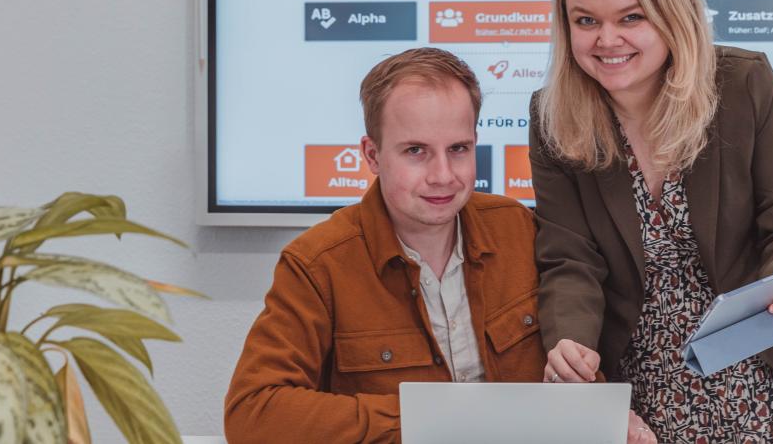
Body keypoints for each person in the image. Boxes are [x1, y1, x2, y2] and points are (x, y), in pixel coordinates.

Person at [530, 0, 773, 443]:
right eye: (586, 20)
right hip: (638, 390)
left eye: (631, 17)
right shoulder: (552, 117)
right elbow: (569, 257)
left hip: (755, 365)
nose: (607, 40)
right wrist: (570, 344)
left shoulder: (743, 84)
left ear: (670, 15)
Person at [224, 48, 546, 443]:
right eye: (416, 151)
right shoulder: (316, 264)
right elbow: (252, 412)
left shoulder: (518, 228)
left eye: (458, 149)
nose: (442, 176)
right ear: (372, 155)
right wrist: (423, 420)